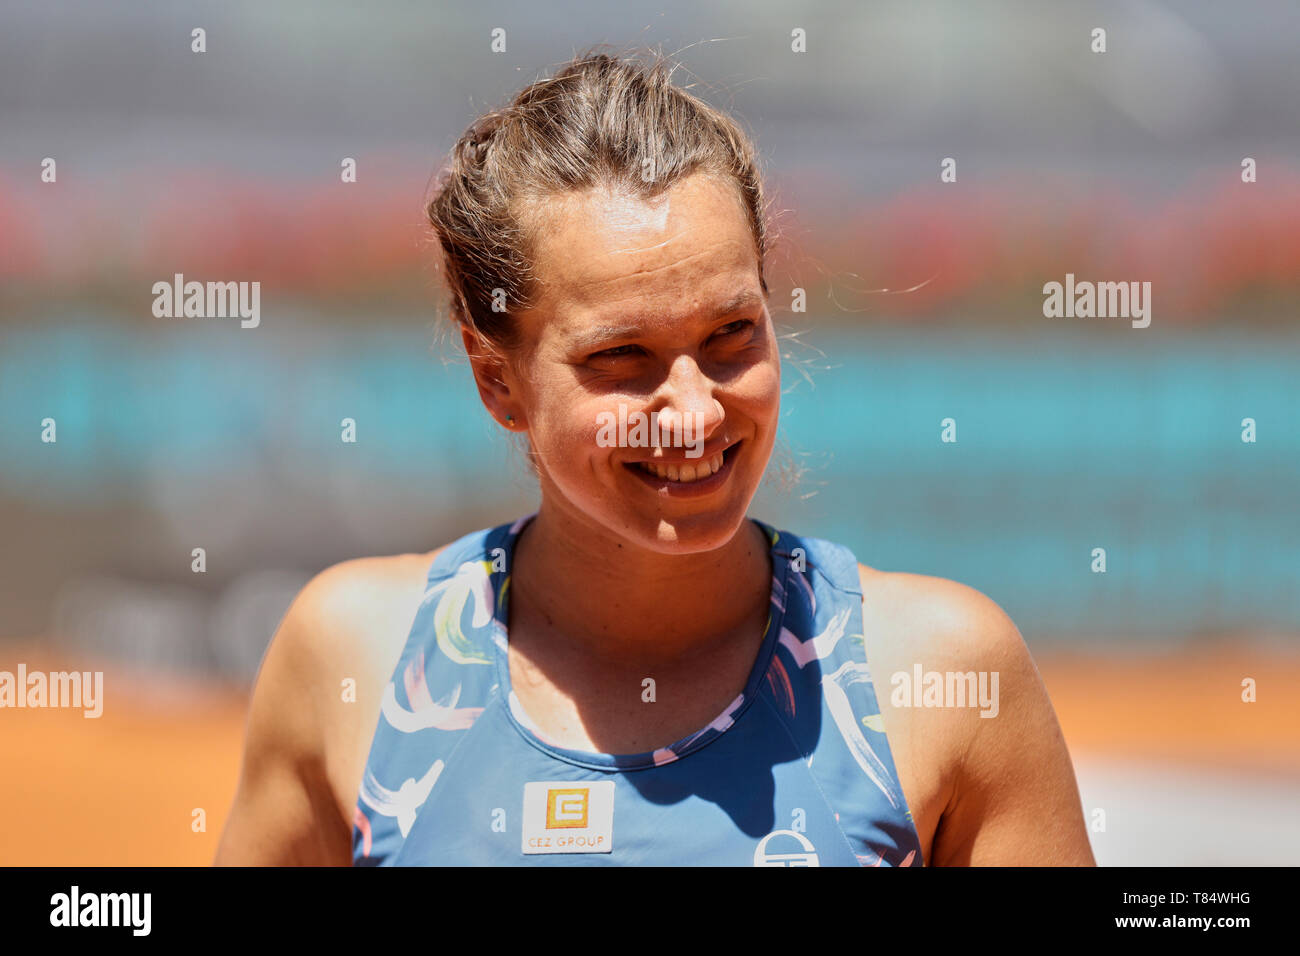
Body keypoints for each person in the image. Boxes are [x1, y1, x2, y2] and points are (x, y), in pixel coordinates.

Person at [214, 51, 1095, 867]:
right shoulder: (353, 657)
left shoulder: (945, 676)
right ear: (499, 383)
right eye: (618, 358)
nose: (694, 411)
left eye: (730, 334)